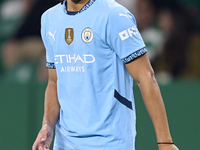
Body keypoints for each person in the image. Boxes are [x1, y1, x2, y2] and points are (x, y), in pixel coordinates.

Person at [32, 0, 179, 150]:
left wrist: (165, 142)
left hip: (110, 142)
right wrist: (47, 125)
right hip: (65, 143)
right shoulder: (49, 19)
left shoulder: (114, 16)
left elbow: (145, 77)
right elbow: (54, 82)